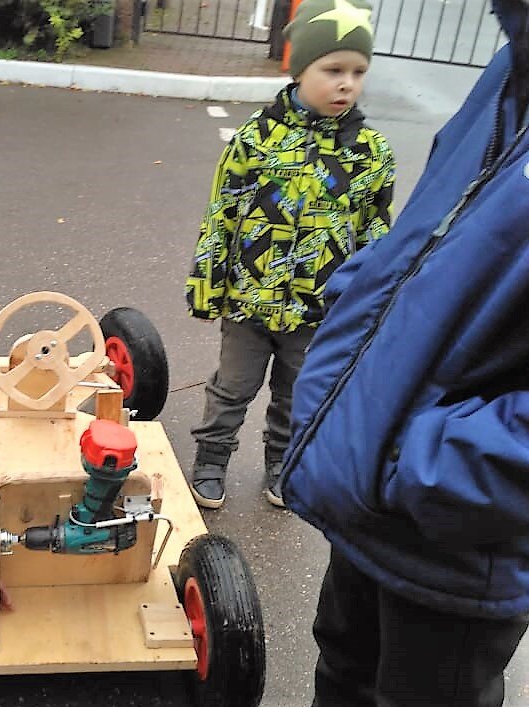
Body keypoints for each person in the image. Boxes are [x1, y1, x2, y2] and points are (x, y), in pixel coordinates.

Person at [279, 0, 529, 703]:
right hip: (372, 480)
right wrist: (347, 337)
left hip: (448, 518)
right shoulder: (513, 65)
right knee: (342, 667)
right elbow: (427, 231)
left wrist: (416, 462)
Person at [184, 0, 395, 509]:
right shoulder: (257, 138)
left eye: (358, 72)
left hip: (317, 307)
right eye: (333, 70)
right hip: (248, 300)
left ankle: (283, 461)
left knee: (297, 394)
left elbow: (376, 234)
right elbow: (224, 213)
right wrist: (207, 284)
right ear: (301, 69)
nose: (346, 84)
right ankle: (212, 458)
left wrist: (368, 305)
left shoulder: (369, 151)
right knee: (232, 387)